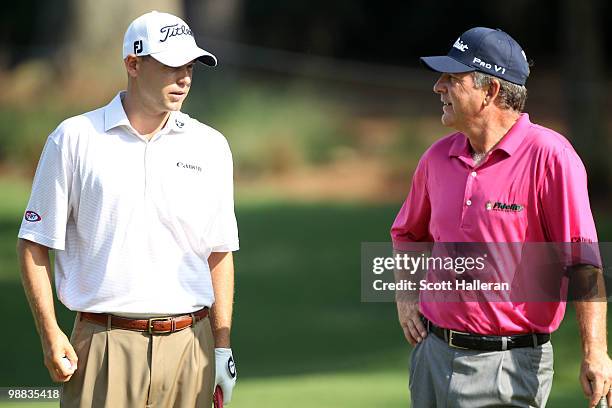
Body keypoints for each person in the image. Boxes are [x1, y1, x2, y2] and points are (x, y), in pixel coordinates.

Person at [17, 10, 238, 407]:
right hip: (104, 346)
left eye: (189, 66)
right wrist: (50, 332)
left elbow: (219, 251)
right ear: (133, 64)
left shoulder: (211, 146)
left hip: (193, 346)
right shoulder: (74, 138)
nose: (184, 77)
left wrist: (222, 347)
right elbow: (34, 243)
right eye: (172, 65)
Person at [391, 27, 611, 407]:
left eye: (451, 78)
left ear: (490, 91)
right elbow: (407, 234)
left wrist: (595, 351)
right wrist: (406, 294)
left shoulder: (550, 157)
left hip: (509, 367)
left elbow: (582, 262)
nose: (437, 87)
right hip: (431, 359)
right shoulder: (436, 158)